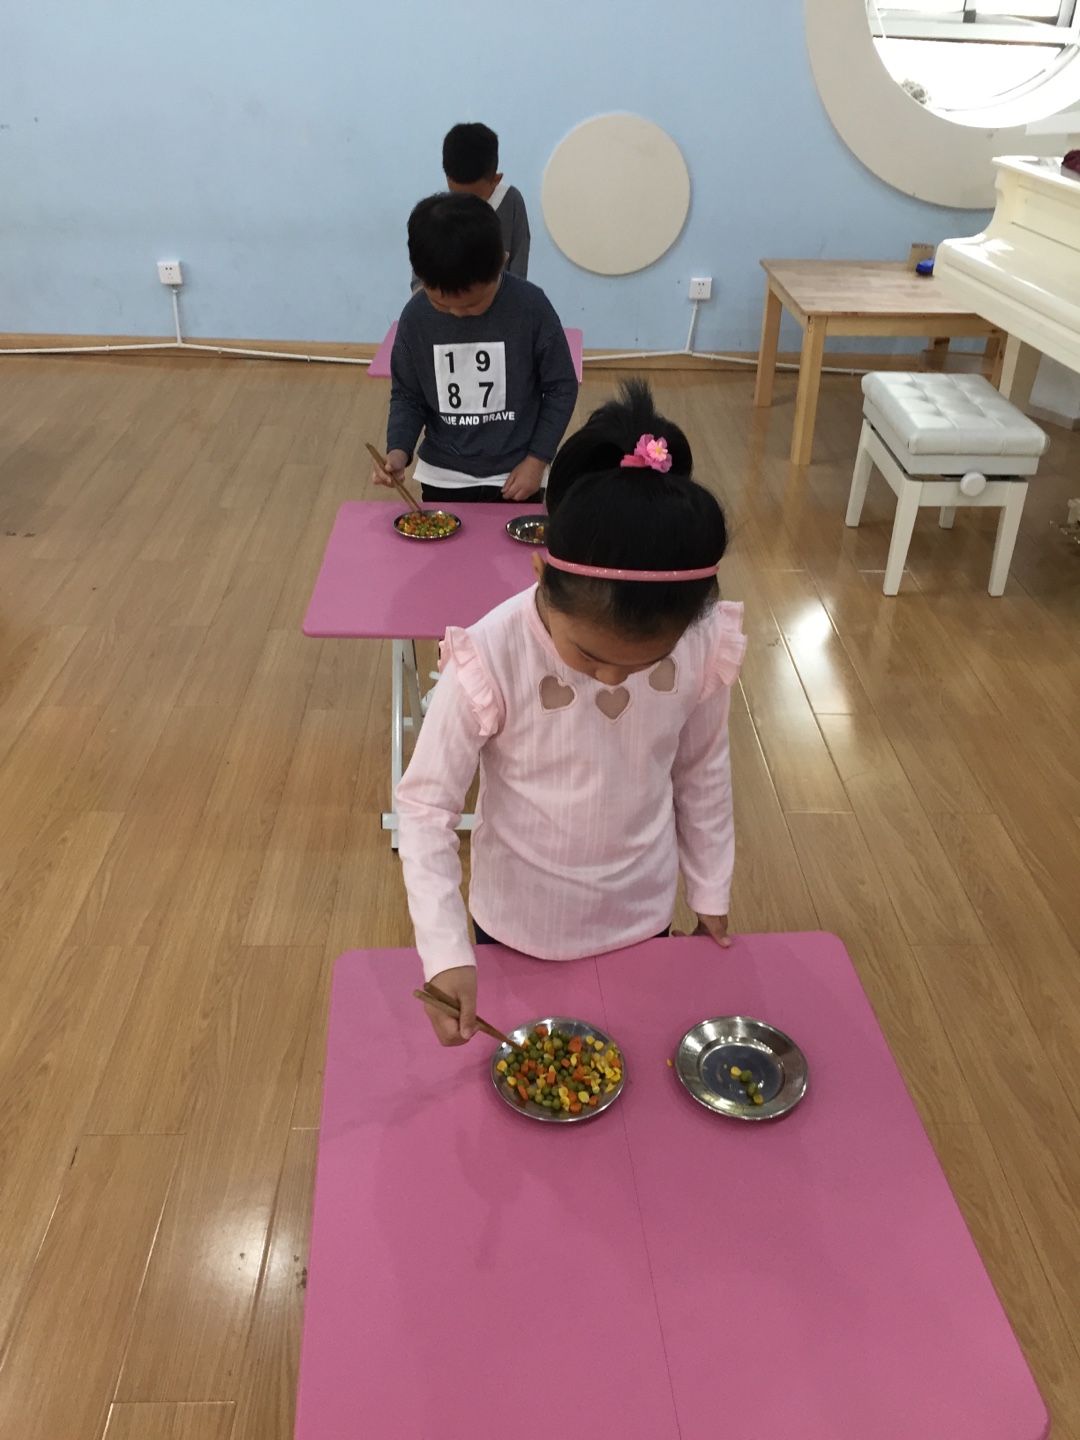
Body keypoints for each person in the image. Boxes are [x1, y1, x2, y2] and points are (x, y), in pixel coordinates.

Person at [396, 380, 746, 1046]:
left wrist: (709, 889)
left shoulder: (701, 643)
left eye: (646, 662)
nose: (611, 679)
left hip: (641, 912)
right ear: (540, 575)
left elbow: (701, 769)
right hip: (516, 919)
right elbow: (425, 807)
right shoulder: (490, 652)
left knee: (636, 1062)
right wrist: (444, 952)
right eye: (588, 654)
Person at [374, 192, 577, 506]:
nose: (457, 313)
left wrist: (537, 460)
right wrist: (398, 451)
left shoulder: (531, 307)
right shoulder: (416, 318)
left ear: (501, 262)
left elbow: (561, 386)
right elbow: (407, 396)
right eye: (440, 303)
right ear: (420, 278)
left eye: (472, 304)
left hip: (519, 473)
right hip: (442, 475)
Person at [410, 122, 529, 290]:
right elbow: (420, 282)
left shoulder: (511, 202)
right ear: (447, 178)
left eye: (475, 198)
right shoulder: (435, 215)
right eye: (458, 196)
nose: (466, 207)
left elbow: (519, 272)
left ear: (496, 180)